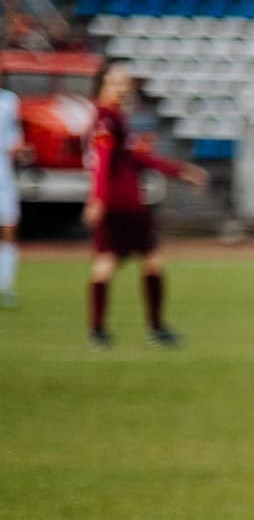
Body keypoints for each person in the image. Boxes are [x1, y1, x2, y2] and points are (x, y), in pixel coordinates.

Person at [83, 61, 209, 347]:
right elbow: (102, 163)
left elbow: (140, 158)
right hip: (123, 202)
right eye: (116, 83)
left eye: (125, 84)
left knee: (110, 261)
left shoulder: (115, 119)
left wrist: (180, 171)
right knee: (148, 259)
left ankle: (99, 330)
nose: (122, 89)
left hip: (122, 201)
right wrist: (98, 199)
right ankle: (153, 326)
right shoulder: (106, 120)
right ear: (102, 85)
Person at [0, 77, 21, 309]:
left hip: (3, 175)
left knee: (8, 228)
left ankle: (5, 285)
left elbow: (15, 140)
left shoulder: (8, 101)